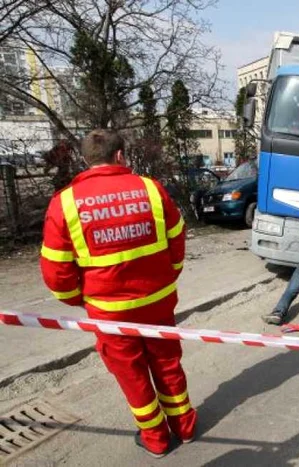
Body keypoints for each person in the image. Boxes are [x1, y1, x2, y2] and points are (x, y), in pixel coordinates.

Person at [40, 129, 196, 458]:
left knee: (132, 374)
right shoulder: (151, 189)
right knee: (168, 364)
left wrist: (78, 299)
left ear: (84, 160)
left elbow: (56, 271)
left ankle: (155, 439)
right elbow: (178, 239)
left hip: (109, 311)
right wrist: (169, 276)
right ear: (121, 156)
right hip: (158, 301)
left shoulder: (65, 202)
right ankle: (185, 426)